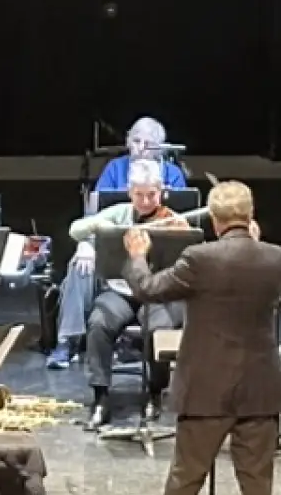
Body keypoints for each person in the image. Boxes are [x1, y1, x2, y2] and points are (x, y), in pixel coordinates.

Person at [123, 181, 281, 495]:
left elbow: (148, 289)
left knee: (186, 476)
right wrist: (258, 246)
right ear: (250, 216)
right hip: (260, 386)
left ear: (215, 221)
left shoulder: (199, 258)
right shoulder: (277, 258)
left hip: (207, 386)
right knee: (257, 480)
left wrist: (138, 256)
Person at [67, 159, 208, 426]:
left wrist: (183, 238)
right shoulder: (120, 213)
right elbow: (75, 230)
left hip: (157, 292)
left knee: (158, 330)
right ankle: (101, 396)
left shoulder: (171, 220)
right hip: (121, 290)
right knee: (99, 323)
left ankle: (155, 391)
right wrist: (100, 228)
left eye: (151, 195)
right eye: (138, 194)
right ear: (130, 192)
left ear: (161, 191)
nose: (144, 201)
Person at [51, 117, 190, 369]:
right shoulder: (115, 170)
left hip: (157, 265)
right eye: (136, 141)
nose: (141, 148)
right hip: (115, 252)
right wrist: (87, 243)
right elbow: (91, 217)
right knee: (80, 265)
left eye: (149, 143)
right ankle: (68, 340)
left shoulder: (173, 174)